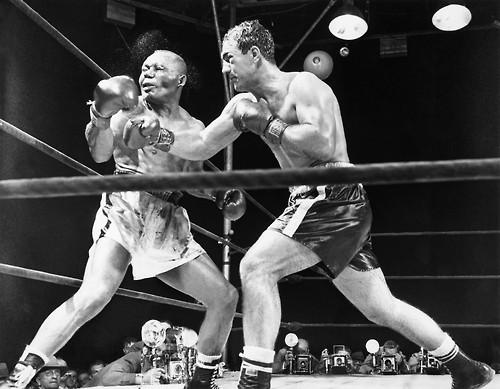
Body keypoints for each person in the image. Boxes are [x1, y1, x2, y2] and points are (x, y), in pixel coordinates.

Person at [135, 19, 495, 389]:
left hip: (333, 195)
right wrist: (159, 135)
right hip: (313, 203)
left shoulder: (303, 85)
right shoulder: (242, 104)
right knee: (379, 307)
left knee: (257, 267)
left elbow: (321, 144)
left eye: (230, 58)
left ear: (255, 54)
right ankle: (467, 369)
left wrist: (268, 125)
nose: (225, 68)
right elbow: (201, 146)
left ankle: (254, 381)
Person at [7, 47, 244, 389]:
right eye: (144, 68)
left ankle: (202, 381)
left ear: (180, 78)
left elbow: (190, 179)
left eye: (157, 68)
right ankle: (22, 374)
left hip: (168, 220)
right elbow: (100, 153)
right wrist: (99, 117)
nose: (146, 73)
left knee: (225, 297)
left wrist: (217, 194)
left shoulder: (193, 126)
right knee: (94, 294)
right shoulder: (128, 107)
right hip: (125, 207)